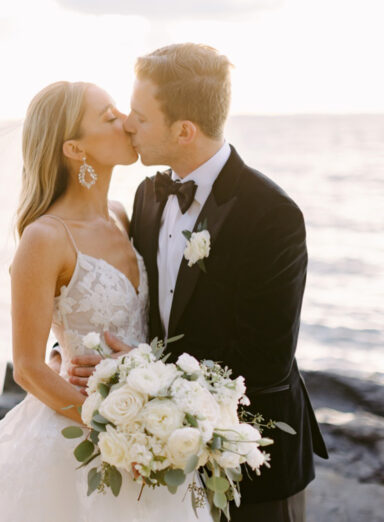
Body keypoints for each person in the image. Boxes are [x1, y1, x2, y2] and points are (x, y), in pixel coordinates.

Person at [72, 43, 327, 521]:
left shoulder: (272, 215)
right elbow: (133, 304)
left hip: (251, 452)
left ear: (184, 130)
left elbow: (264, 363)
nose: (128, 124)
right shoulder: (147, 195)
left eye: (141, 117)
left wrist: (140, 371)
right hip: (161, 454)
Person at [0, 80, 211, 521]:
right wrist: (118, 431)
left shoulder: (122, 214)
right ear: (74, 149)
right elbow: (28, 369)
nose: (126, 121)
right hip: (81, 436)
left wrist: (150, 419)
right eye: (109, 118)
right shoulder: (45, 238)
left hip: (147, 421)